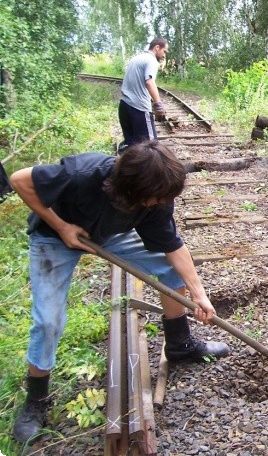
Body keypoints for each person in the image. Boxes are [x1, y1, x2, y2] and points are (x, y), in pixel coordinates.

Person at [9, 141, 230, 443]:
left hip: (109, 235)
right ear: (130, 190)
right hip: (54, 238)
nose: (158, 203)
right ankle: (35, 399)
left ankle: (180, 345)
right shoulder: (82, 173)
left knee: (171, 271)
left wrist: (199, 294)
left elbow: (172, 246)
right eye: (153, 199)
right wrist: (61, 227)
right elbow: (19, 179)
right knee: (48, 321)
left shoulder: (159, 195)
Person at [118, 37, 169, 154]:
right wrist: (158, 104)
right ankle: (151, 173)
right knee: (151, 149)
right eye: (164, 51)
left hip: (124, 106)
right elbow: (149, 81)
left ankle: (131, 171)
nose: (164, 55)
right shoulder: (151, 60)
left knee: (131, 146)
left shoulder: (136, 59)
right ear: (157, 48)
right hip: (139, 109)